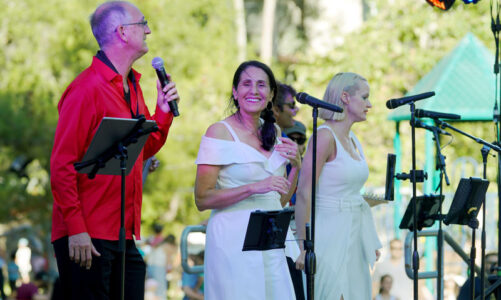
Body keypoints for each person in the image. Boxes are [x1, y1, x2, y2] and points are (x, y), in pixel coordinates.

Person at [49, 1, 180, 299]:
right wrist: (77, 229)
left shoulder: (132, 86)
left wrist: (162, 112)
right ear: (122, 32)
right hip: (87, 235)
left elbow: (142, 150)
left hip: (122, 233)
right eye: (142, 23)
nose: (148, 30)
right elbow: (61, 167)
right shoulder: (85, 90)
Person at [194, 60, 301, 299]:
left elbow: (281, 200)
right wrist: (254, 187)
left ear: (271, 94)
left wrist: (296, 166)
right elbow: (202, 198)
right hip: (234, 238)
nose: (254, 91)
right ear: (235, 91)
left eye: (261, 85)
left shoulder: (274, 133)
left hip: (270, 238)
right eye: (246, 84)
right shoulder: (218, 132)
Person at [295, 72, 383, 299]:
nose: (369, 104)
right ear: (345, 97)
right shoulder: (324, 136)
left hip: (353, 233)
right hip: (328, 233)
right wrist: (304, 247)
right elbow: (305, 193)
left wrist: (367, 237)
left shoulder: (354, 140)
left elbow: (353, 194)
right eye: (364, 97)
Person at [145, 224, 168, 299]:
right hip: (159, 265)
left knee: (153, 286)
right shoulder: (162, 240)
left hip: (153, 264)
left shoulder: (152, 239)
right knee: (159, 287)